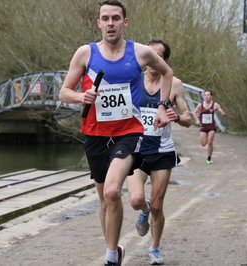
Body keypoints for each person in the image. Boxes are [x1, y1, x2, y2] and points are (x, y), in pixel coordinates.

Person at [59, 1, 174, 265]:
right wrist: (80, 96)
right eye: (105, 18)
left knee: (112, 192)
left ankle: (111, 259)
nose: (111, 23)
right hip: (95, 134)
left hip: (129, 133)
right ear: (98, 23)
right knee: (104, 200)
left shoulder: (140, 52)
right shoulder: (85, 53)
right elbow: (63, 91)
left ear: (125, 22)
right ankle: (115, 250)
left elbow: (167, 72)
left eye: (116, 18)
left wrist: (162, 107)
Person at [126, 38, 191, 265]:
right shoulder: (133, 80)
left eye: (159, 56)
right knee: (136, 200)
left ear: (165, 60)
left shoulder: (175, 84)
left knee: (157, 205)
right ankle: (142, 212)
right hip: (136, 151)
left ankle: (154, 248)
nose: (154, 60)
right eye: (150, 54)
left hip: (162, 151)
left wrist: (178, 117)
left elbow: (188, 119)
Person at [192, 90, 226, 164]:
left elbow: (220, 110)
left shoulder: (215, 105)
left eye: (208, 95)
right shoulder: (200, 105)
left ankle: (209, 157)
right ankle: (205, 138)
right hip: (203, 126)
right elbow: (194, 112)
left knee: (210, 142)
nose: (206, 97)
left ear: (211, 96)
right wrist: (197, 120)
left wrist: (222, 112)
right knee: (203, 144)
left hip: (211, 126)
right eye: (205, 95)